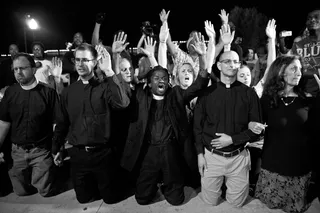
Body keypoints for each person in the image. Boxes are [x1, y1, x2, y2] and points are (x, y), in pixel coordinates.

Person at [120, 31, 210, 206]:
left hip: (171, 151)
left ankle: (168, 184)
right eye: (156, 78)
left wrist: (203, 56)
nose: (160, 80)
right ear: (149, 82)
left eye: (164, 78)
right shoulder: (140, 94)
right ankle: (153, 184)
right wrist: (118, 58)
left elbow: (200, 83)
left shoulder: (175, 94)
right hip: (149, 152)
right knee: (142, 199)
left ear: (169, 82)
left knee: (177, 200)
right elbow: (124, 82)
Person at [52, 43, 130, 204]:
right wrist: (57, 148)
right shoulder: (69, 92)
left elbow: (122, 103)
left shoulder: (105, 87)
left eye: (85, 60)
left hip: (104, 155)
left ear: (95, 62)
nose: (80, 64)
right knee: (84, 199)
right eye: (77, 60)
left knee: (111, 199)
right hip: (79, 156)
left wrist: (109, 71)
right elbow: (62, 122)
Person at [194, 50, 263, 207]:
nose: (232, 65)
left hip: (239, 157)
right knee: (210, 202)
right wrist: (199, 154)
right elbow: (197, 126)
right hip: (212, 157)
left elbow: (256, 130)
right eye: (228, 61)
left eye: (236, 62)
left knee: (237, 203)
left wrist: (232, 139)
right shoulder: (206, 94)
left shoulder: (249, 94)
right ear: (219, 65)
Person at [253, 54, 319, 213]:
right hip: (273, 166)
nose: (299, 73)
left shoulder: (308, 100)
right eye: (294, 69)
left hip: (299, 167)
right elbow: (255, 126)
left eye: (300, 70)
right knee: (269, 207)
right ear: (281, 71)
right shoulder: (266, 100)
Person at [0, 52, 60, 197]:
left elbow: (56, 123)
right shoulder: (11, 93)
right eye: (15, 69)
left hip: (41, 151)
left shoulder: (48, 93)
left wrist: (57, 148)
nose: (18, 72)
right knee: (21, 192)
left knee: (46, 192)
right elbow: (4, 122)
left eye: (22, 68)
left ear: (33, 69)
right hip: (17, 152)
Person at [288, 9, 320, 97]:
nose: (312, 20)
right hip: (303, 90)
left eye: (316, 17)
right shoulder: (299, 43)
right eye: (309, 18)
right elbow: (290, 64)